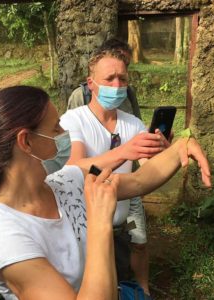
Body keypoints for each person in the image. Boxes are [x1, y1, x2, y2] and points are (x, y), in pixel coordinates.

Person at [0, 85, 211, 299]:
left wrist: (180, 148)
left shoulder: (64, 182)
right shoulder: (1, 233)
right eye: (56, 129)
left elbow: (138, 181)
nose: (64, 135)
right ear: (26, 141)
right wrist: (100, 220)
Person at [60, 49, 172, 295]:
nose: (117, 85)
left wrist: (164, 153)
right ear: (91, 83)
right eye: (109, 79)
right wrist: (124, 152)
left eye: (122, 79)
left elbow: (146, 167)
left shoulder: (132, 123)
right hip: (87, 212)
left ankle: (143, 290)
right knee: (97, 270)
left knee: (138, 243)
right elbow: (73, 164)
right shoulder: (73, 120)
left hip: (128, 207)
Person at [67, 37, 141, 119]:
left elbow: (139, 126)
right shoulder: (80, 96)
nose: (117, 85)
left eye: (126, 63)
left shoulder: (128, 93)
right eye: (109, 78)